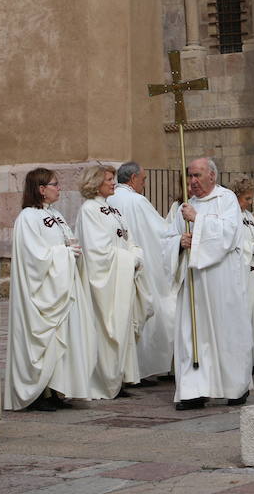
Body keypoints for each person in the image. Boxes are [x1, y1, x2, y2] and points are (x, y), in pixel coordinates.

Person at [164, 158, 252, 410]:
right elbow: (167, 238)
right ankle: (194, 389)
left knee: (227, 332)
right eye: (190, 176)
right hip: (194, 283)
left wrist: (198, 220)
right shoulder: (185, 206)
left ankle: (235, 386)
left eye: (198, 176)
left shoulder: (226, 200)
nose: (192, 181)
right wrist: (179, 243)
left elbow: (228, 235)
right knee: (193, 335)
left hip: (221, 280)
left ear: (212, 176)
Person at [5, 169, 96, 412]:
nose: (59, 188)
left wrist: (71, 251)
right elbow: (34, 259)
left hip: (62, 289)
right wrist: (65, 254)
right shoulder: (28, 218)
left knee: (63, 340)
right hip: (44, 294)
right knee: (47, 341)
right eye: (54, 184)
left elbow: (64, 244)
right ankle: (38, 392)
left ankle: (56, 387)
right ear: (41, 189)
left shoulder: (55, 215)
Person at [76, 164, 152, 399]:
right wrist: (130, 259)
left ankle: (119, 378)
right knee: (105, 328)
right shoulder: (89, 210)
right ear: (95, 182)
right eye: (109, 179)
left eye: (113, 179)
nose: (113, 183)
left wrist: (136, 255)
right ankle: (103, 380)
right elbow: (97, 251)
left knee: (124, 328)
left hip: (121, 277)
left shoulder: (112, 210)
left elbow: (128, 239)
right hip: (105, 282)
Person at [108, 162, 174, 382]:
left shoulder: (109, 200)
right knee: (148, 310)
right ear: (133, 178)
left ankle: (124, 369)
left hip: (116, 268)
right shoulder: (137, 201)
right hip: (139, 265)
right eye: (144, 180)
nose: (145, 184)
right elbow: (161, 233)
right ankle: (143, 368)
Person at [232, 176, 254, 374]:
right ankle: (243, 358)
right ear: (237, 197)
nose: (250, 202)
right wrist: (250, 248)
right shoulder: (232, 215)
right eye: (247, 198)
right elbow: (232, 242)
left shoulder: (248, 216)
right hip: (242, 274)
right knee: (244, 313)